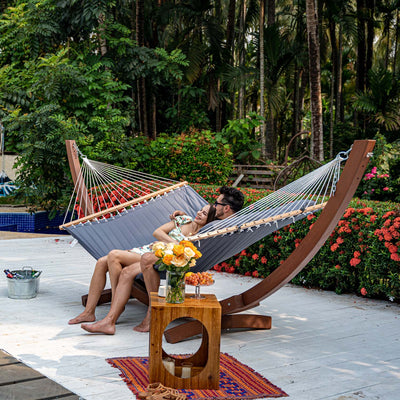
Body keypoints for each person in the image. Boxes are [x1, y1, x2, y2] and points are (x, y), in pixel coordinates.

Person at [73, 204, 216, 334]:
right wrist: (177, 244)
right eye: (200, 210)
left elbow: (174, 246)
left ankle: (114, 310)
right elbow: (158, 232)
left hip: (158, 257)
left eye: (204, 213)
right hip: (148, 249)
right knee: (101, 262)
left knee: (114, 256)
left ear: (209, 219)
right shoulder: (184, 219)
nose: (199, 213)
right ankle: (89, 312)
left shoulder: (201, 235)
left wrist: (172, 245)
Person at [133, 186, 245, 332]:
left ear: (226, 208)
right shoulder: (220, 220)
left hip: (187, 261)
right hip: (183, 252)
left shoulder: (227, 226)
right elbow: (198, 226)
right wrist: (185, 218)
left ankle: (152, 311)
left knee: (146, 259)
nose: (214, 205)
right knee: (132, 266)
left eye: (217, 204)